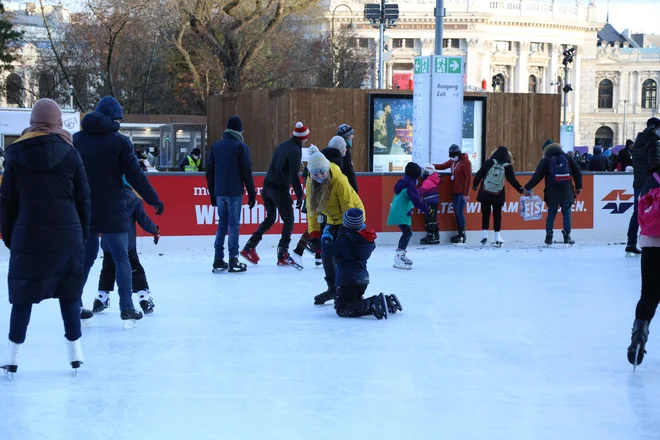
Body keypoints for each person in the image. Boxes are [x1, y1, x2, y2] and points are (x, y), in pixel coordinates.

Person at [0, 98, 90, 374]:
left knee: (23, 294)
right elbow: (83, 199)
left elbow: (6, 202)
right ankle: (75, 352)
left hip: (28, 235)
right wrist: (81, 235)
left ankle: (12, 356)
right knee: (69, 293)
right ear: (58, 121)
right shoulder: (71, 153)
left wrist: (9, 237)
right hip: (67, 236)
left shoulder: (14, 155)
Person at [74, 96, 164, 327]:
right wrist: (154, 200)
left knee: (86, 258)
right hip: (113, 208)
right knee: (122, 258)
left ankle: (73, 304)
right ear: (114, 119)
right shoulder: (120, 142)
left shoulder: (76, 140)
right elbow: (136, 176)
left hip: (85, 208)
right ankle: (126, 308)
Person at [240, 121, 307, 266]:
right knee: (288, 219)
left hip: (267, 186)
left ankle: (249, 246)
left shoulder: (282, 145)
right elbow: (294, 176)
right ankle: (283, 252)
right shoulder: (295, 150)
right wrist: (300, 194)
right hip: (279, 188)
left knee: (271, 217)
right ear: (303, 138)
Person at [304, 146, 364, 305]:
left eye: (322, 172)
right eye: (316, 174)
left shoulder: (339, 180)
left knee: (347, 252)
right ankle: (332, 288)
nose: (320, 176)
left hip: (352, 215)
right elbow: (312, 211)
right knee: (326, 249)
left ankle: (353, 287)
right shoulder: (311, 183)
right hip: (332, 219)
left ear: (327, 168)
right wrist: (314, 233)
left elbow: (347, 206)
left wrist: (347, 233)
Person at [95, 177, 160, 315]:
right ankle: (144, 297)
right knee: (135, 269)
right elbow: (144, 220)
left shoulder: (104, 198)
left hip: (108, 243)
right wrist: (155, 230)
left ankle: (101, 297)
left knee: (107, 269)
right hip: (127, 244)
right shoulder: (134, 200)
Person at [324, 208, 400, 320]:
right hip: (362, 279)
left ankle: (373, 304)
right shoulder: (367, 241)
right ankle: (387, 302)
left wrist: (326, 236)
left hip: (347, 281)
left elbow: (328, 250)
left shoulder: (344, 241)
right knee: (354, 301)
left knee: (342, 308)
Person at [206, 116, 256, 273]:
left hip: (219, 192)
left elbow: (209, 172)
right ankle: (233, 259)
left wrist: (212, 193)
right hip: (234, 192)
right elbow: (247, 172)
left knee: (222, 224)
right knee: (234, 225)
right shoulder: (241, 147)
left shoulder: (215, 146)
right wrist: (252, 193)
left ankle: (218, 259)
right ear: (239, 130)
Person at [524, 140, 582, 245]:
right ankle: (567, 236)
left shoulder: (546, 160)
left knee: (551, 214)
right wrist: (579, 186)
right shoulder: (567, 157)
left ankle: (549, 236)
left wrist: (527, 187)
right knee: (567, 213)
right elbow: (577, 170)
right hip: (566, 191)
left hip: (552, 192)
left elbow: (537, 176)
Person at [472, 146, 528, 246]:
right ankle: (497, 237)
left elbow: (479, 174)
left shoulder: (488, 162)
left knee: (485, 214)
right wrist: (521, 190)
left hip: (485, 192)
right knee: (497, 215)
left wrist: (475, 185)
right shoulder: (507, 166)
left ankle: (484, 235)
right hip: (498, 194)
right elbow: (512, 180)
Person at [386, 162, 431, 269]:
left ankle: (401, 255)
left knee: (406, 232)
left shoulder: (404, 181)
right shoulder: (410, 183)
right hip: (401, 212)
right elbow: (415, 199)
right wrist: (426, 208)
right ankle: (399, 256)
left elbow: (407, 198)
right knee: (407, 233)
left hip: (400, 211)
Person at [627, 118, 660, 255]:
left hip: (639, 183)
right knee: (654, 214)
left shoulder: (638, 142)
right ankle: (651, 242)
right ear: (654, 128)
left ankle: (631, 243)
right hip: (651, 184)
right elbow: (655, 166)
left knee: (638, 213)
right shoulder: (652, 143)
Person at [434, 144, 472, 243]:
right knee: (456, 212)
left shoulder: (466, 162)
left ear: (458, 154)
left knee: (459, 212)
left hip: (462, 192)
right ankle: (459, 233)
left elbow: (468, 178)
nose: (452, 158)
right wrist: (430, 165)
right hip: (454, 191)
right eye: (450, 156)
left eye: (453, 156)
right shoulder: (452, 162)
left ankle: (462, 234)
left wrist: (466, 193)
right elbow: (442, 166)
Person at [418, 163, 442, 245]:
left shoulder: (428, 181)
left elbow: (421, 191)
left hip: (430, 202)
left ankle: (431, 236)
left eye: (423, 172)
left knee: (430, 219)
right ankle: (435, 235)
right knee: (432, 218)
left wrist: (413, 194)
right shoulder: (432, 179)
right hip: (432, 202)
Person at [336, 124, 359, 192]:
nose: (353, 137)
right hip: (345, 185)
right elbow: (348, 170)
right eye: (351, 134)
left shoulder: (336, 148)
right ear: (347, 136)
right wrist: (354, 188)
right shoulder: (344, 150)